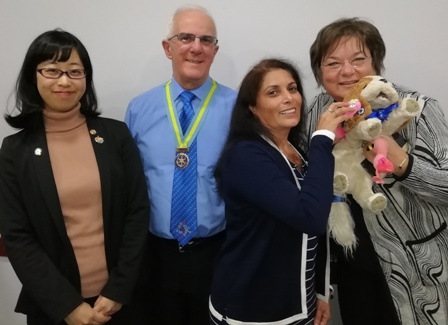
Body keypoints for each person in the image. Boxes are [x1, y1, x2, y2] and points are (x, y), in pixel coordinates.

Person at [0, 29, 150, 325]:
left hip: (120, 302)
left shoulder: (115, 135)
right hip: (53, 308)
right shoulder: (15, 151)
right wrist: (67, 306)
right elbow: (17, 237)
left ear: (86, 77)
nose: (65, 81)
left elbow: (138, 212)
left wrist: (118, 289)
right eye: (52, 70)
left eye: (74, 71)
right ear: (34, 77)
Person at [306, 17, 448, 325]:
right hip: (353, 267)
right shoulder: (316, 113)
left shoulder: (416, 109)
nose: (346, 72)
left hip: (417, 266)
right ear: (319, 71)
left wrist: (403, 163)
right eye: (332, 63)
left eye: (358, 60)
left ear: (376, 63)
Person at [209, 58, 356, 325]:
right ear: (252, 107)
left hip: (300, 301)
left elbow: (319, 219)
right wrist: (323, 138)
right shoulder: (246, 156)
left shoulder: (294, 150)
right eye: (273, 92)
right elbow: (308, 217)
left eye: (292, 88)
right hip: (254, 309)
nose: (289, 98)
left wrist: (320, 291)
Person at [125, 5, 237, 325]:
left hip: (218, 254)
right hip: (154, 258)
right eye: (185, 37)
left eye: (206, 39)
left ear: (215, 50)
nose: (196, 47)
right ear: (167, 47)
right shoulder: (138, 110)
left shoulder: (240, 109)